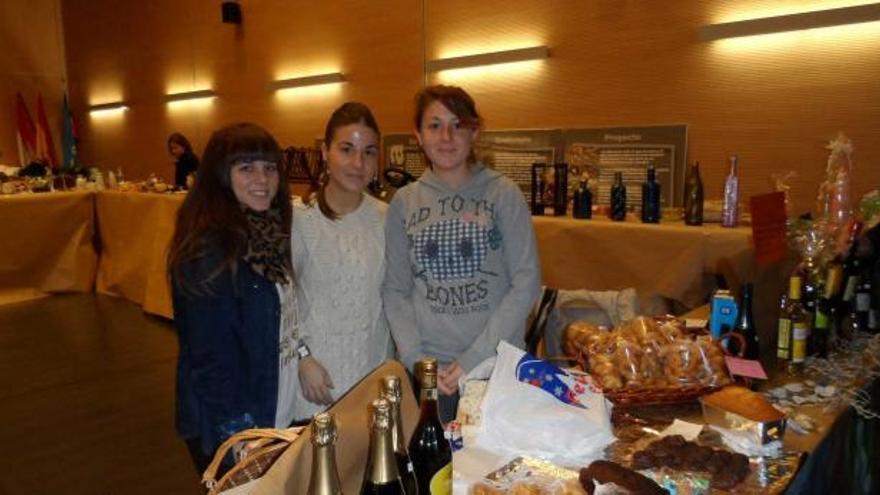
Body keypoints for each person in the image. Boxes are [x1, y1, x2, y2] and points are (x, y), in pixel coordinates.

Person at [383, 85, 542, 421]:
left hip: (493, 367)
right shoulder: (404, 202)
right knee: (437, 471)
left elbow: (526, 282)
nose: (446, 136)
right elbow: (395, 290)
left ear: (475, 132)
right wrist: (417, 360)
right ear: (419, 135)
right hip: (431, 372)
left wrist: (474, 358)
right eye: (435, 125)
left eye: (458, 125)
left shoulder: (503, 194)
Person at [167, 122, 297, 474]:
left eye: (269, 168)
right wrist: (241, 435)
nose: (262, 179)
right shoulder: (208, 248)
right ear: (220, 176)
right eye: (246, 168)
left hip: (271, 407)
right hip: (233, 425)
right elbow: (210, 359)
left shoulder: (266, 231)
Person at [290, 102, 392, 420]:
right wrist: (302, 358)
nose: (358, 163)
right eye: (346, 149)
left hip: (371, 384)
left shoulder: (388, 219)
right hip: (314, 384)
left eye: (369, 152)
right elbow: (280, 303)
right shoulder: (298, 220)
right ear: (325, 152)